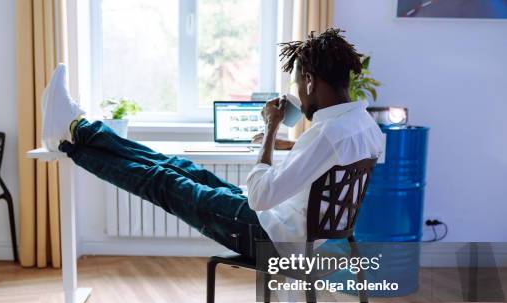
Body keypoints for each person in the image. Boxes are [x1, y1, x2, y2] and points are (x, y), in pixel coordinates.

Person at [42, 28, 383, 259]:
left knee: (163, 181)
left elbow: (261, 196)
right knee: (181, 167)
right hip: (288, 226)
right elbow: (328, 166)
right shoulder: (364, 127)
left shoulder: (326, 133)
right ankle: (80, 129)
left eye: (298, 84)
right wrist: (288, 148)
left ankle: (72, 138)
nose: (298, 94)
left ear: (309, 81)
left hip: (270, 237)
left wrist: (270, 129)